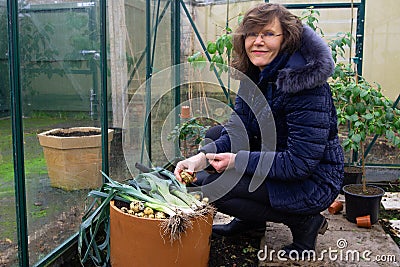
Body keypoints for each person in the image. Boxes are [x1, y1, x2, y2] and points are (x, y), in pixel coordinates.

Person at [174, 3, 344, 255]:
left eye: (268, 34)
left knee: (215, 187)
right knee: (213, 138)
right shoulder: (256, 74)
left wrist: (237, 161)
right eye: (252, 34)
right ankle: (251, 222)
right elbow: (238, 128)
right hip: (278, 157)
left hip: (313, 180)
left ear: (286, 38)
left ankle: (306, 222)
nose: (258, 42)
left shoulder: (305, 86)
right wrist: (202, 157)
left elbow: (299, 163)